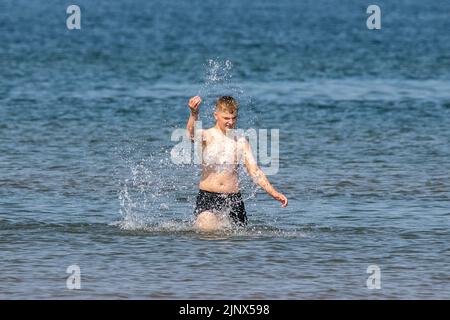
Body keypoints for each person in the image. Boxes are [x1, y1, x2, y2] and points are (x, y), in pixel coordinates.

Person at [186, 95, 288, 231]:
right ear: (216, 115)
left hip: (233, 199)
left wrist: (274, 193)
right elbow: (191, 134)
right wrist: (194, 113)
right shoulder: (207, 135)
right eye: (226, 118)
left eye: (234, 118)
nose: (230, 122)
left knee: (236, 243)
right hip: (208, 196)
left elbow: (255, 171)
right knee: (206, 228)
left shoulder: (241, 141)